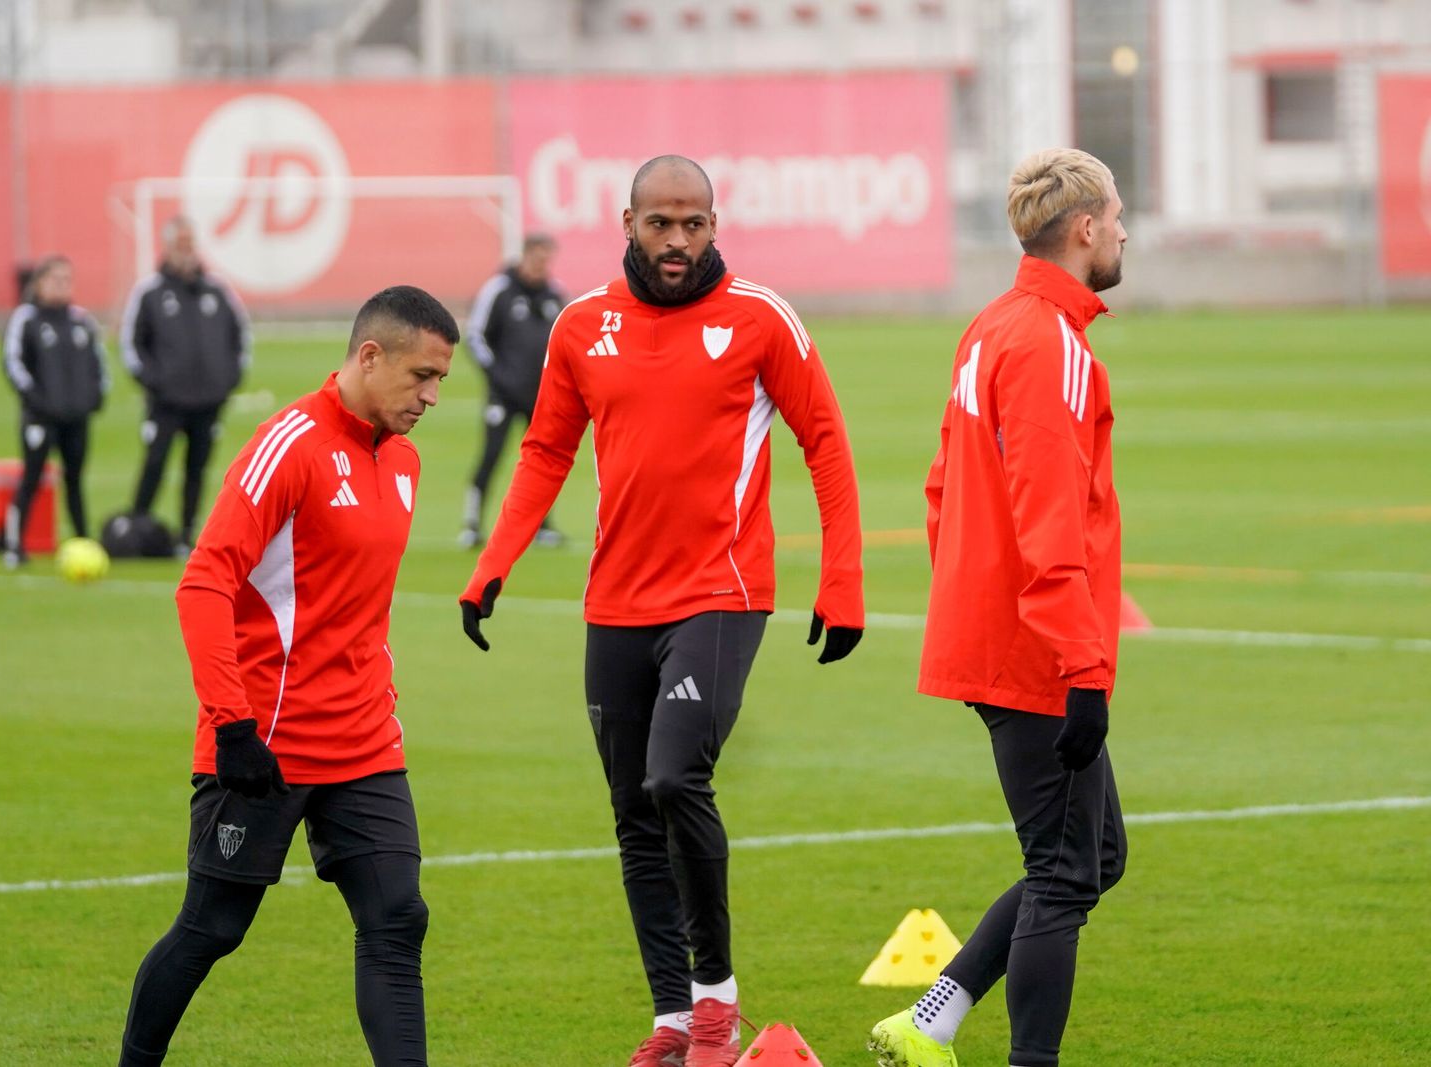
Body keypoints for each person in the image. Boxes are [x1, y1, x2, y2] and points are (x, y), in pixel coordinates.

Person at [459, 155, 865, 1067]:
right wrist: (493, 566)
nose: (675, 241)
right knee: (632, 815)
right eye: (659, 224)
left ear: (715, 223)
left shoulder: (762, 318)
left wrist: (842, 581)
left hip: (722, 594)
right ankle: (674, 1017)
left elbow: (827, 445)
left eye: (692, 224)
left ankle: (717, 1000)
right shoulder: (581, 326)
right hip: (616, 602)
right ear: (628, 222)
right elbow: (545, 450)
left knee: (675, 779)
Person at [116, 286, 459, 1067]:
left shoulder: (402, 461)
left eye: (441, 380)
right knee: (212, 929)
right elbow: (204, 581)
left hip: (366, 739)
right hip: (263, 742)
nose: (433, 396)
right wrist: (231, 723)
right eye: (422, 376)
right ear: (369, 356)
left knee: (397, 918)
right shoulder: (290, 444)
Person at [869, 148, 1129, 1067]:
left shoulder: (990, 326)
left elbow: (944, 487)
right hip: (1038, 648)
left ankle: (928, 1020)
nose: (1127, 231)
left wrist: (970, 596)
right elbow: (1049, 518)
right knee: (1064, 873)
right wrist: (1084, 666)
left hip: (999, 631)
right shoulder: (1050, 343)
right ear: (1087, 227)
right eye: (1120, 215)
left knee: (1094, 856)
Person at [120, 216, 251, 554]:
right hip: (166, 401)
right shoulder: (150, 291)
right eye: (180, 244)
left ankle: (186, 534)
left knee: (197, 469)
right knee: (156, 461)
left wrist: (227, 380)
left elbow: (240, 336)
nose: (186, 250)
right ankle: (136, 527)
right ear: (167, 247)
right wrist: (155, 381)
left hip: (208, 400)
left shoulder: (217, 290)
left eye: (190, 243)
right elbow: (132, 343)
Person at [459, 232, 568, 549]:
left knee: (543, 462)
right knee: (491, 456)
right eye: (537, 257)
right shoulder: (500, 290)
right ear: (524, 255)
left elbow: (567, 339)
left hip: (540, 397)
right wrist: (498, 376)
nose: (541, 264)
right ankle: (472, 524)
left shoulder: (554, 294)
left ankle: (542, 526)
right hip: (503, 395)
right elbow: (476, 336)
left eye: (547, 258)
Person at [1, 254, 107, 568]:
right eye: (55, 279)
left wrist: (93, 399)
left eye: (67, 280)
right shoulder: (27, 319)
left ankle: (83, 541)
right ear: (41, 283)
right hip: (40, 417)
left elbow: (98, 365)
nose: (62, 286)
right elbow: (13, 363)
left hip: (76, 417)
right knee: (31, 478)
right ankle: (13, 543)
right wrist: (36, 400)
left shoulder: (81, 321)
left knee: (74, 480)